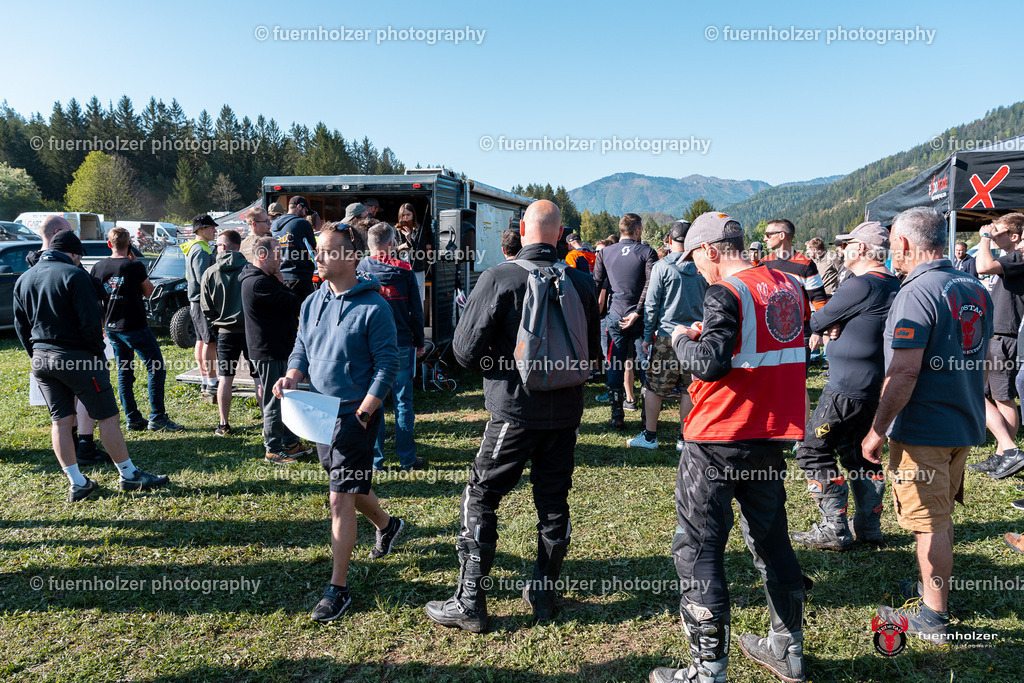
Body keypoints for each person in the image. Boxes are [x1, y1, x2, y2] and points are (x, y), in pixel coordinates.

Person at [425, 200, 601, 633]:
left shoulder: (499, 277)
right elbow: (594, 355)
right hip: (566, 411)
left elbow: (464, 352)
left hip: (514, 411)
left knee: (482, 494)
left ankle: (470, 601)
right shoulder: (580, 282)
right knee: (553, 503)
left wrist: (503, 362)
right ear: (560, 235)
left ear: (522, 230)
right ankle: (543, 592)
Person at [650, 212, 809, 683]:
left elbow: (711, 364)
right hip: (769, 436)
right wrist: (712, 332)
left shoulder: (725, 291)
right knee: (771, 541)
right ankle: (787, 647)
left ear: (711, 251)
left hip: (717, 437)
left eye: (696, 260)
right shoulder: (789, 284)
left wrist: (681, 337)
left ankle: (708, 669)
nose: (697, 270)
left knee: (699, 548)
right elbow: (756, 345)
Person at [862, 206, 993, 641]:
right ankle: (929, 587)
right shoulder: (972, 284)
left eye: (891, 244)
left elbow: (904, 372)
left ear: (902, 244)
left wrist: (878, 428)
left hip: (925, 426)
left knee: (929, 521)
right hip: (962, 418)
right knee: (940, 513)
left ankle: (934, 614)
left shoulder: (916, 292)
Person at [274, 223, 403, 623]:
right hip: (319, 412)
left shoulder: (374, 307)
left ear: (350, 256)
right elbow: (301, 348)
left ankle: (338, 589)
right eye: (317, 249)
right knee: (346, 483)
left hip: (355, 415)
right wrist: (292, 376)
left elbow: (388, 366)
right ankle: (388, 524)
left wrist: (364, 414)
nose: (318, 256)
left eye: (328, 251)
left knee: (339, 496)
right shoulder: (311, 302)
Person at [14, 230, 170, 501]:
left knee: (60, 421)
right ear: (73, 254)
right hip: (77, 357)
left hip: (42, 358)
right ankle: (129, 475)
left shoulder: (24, 278)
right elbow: (90, 319)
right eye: (78, 257)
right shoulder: (74, 275)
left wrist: (35, 353)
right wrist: (97, 354)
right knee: (107, 416)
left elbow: (20, 325)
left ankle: (77, 483)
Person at [791, 222, 900, 551]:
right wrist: (838, 321)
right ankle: (868, 526)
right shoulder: (894, 283)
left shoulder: (860, 285)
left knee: (812, 451)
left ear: (863, 249)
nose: (842, 250)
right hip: (873, 386)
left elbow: (817, 320)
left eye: (847, 244)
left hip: (846, 388)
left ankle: (833, 528)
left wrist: (833, 322)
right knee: (860, 453)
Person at [92, 227, 183, 433]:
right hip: (134, 327)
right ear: (129, 244)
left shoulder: (98, 267)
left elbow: (97, 301)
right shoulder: (134, 266)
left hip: (112, 327)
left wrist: (103, 325)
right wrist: (134, 263)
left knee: (124, 372)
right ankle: (158, 417)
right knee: (156, 368)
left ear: (109, 244)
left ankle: (132, 418)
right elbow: (150, 292)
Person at [629, 219, 705, 452]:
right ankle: (684, 437)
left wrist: (648, 336)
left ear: (670, 241)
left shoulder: (662, 266)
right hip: (695, 335)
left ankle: (650, 436)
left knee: (654, 387)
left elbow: (651, 305)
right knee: (688, 388)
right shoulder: (704, 266)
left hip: (666, 336)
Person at [357, 223, 427, 472]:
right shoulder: (405, 269)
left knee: (374, 401)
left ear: (369, 245)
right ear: (391, 245)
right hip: (401, 342)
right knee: (403, 402)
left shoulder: (360, 269)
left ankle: (376, 462)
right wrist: (419, 342)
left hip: (371, 345)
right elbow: (416, 311)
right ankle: (407, 459)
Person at [239, 236, 312, 464]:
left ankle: (290, 443)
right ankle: (272, 448)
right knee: (275, 399)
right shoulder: (259, 283)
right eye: (278, 254)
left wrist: (279, 279)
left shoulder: (263, 279)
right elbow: (294, 303)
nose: (282, 259)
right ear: (263, 255)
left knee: (287, 398)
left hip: (278, 348)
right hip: (269, 350)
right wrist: (281, 281)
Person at [969, 213, 1024, 478]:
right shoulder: (1014, 257)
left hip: (1006, 335)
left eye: (999, 231)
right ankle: (1005, 454)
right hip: (999, 333)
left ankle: (1009, 451)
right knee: (998, 396)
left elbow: (983, 266)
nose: (994, 232)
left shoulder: (1019, 256)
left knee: (1001, 396)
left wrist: (984, 238)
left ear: (1015, 236)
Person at [592, 213, 658, 430]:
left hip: (615, 315)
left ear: (621, 230)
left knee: (615, 363)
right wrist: (638, 311)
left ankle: (616, 415)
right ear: (638, 230)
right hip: (640, 318)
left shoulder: (605, 252)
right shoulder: (647, 252)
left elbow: (596, 284)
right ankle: (647, 418)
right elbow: (651, 285)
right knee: (645, 365)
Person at [200, 229, 250, 436]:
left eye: (218, 245)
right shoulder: (250, 269)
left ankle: (223, 424)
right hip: (249, 332)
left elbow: (205, 307)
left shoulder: (210, 272)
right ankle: (268, 424)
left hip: (224, 333)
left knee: (225, 378)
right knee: (258, 378)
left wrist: (217, 323)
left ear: (224, 247)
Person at [182, 214, 219, 402]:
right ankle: (212, 381)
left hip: (195, 301)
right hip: (202, 301)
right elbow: (203, 277)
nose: (214, 230)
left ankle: (205, 379)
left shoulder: (194, 247)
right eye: (211, 227)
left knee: (201, 340)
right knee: (209, 341)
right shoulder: (201, 250)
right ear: (201, 230)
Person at [271, 196, 317, 302]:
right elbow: (313, 249)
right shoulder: (302, 223)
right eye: (305, 210)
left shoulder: (274, 224)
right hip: (300, 275)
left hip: (280, 274)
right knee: (303, 311)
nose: (305, 214)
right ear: (299, 207)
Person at [395, 203, 433, 295]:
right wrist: (403, 245)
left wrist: (409, 238)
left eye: (408, 215)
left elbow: (421, 250)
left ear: (413, 215)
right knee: (403, 297)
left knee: (418, 296)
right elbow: (392, 250)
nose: (406, 218)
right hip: (401, 269)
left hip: (417, 268)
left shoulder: (420, 230)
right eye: (403, 215)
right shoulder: (395, 230)